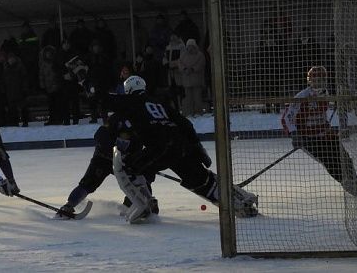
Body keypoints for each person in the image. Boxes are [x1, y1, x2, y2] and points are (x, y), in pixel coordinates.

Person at [107, 76, 258, 222]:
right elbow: (186, 124)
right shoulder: (160, 103)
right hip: (181, 145)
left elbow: (107, 101)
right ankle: (241, 201)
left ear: (129, 90)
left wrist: (90, 88)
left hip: (160, 148)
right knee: (201, 180)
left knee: (129, 167)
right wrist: (198, 148)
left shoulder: (131, 101)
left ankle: (144, 204)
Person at [281, 66, 357, 197]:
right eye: (315, 81)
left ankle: (355, 181)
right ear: (310, 81)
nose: (318, 84)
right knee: (330, 161)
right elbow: (286, 118)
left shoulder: (325, 93)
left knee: (344, 157)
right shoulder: (302, 96)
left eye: (321, 80)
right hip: (308, 138)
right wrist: (294, 135)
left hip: (326, 134)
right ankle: (346, 183)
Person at [57, 112, 158, 219]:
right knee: (89, 182)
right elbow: (100, 135)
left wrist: (142, 167)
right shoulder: (116, 119)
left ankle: (135, 205)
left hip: (124, 162)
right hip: (103, 159)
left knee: (140, 179)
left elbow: (142, 153)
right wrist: (113, 152)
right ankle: (69, 205)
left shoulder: (141, 127)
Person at [179, 39, 206, 115]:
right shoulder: (183, 55)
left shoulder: (200, 55)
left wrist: (192, 69)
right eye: (188, 46)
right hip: (187, 80)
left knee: (197, 98)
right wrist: (184, 69)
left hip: (196, 80)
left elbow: (201, 64)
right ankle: (189, 111)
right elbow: (180, 64)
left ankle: (198, 111)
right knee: (188, 98)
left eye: (191, 46)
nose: (190, 48)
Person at [2, 54, 30, 127]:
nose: (10, 60)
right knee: (12, 108)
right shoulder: (6, 69)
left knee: (23, 107)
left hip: (19, 91)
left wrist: (25, 89)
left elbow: (24, 79)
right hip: (10, 91)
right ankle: (14, 122)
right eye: (9, 59)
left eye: (12, 59)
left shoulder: (20, 67)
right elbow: (4, 81)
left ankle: (25, 121)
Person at [38, 45, 64, 125]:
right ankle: (52, 119)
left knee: (57, 104)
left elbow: (59, 74)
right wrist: (42, 85)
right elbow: (41, 75)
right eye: (47, 53)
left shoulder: (56, 63)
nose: (48, 55)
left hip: (56, 86)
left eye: (49, 53)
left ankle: (59, 119)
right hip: (48, 87)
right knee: (51, 105)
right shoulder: (43, 64)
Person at [163, 33, 185, 110]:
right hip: (170, 72)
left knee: (180, 88)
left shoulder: (181, 47)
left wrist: (173, 64)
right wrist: (166, 64)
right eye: (171, 37)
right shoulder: (168, 47)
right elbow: (165, 57)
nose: (172, 38)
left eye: (174, 37)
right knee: (172, 90)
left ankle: (181, 105)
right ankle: (176, 106)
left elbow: (182, 58)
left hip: (178, 71)